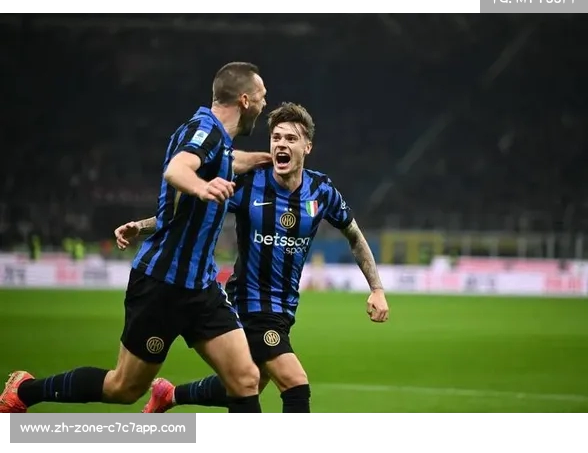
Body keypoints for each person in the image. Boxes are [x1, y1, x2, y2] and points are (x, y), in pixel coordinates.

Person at [0, 61, 272, 414]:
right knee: (124, 388)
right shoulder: (205, 131)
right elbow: (177, 169)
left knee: (246, 379)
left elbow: (226, 162)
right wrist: (202, 187)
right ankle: (25, 390)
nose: (265, 104)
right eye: (262, 96)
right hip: (162, 284)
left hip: (200, 287)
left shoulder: (216, 142)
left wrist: (263, 160)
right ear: (246, 100)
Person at [115, 102, 390, 413]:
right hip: (249, 302)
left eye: (291, 138)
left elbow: (354, 235)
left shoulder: (321, 190)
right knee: (295, 382)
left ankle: (170, 395)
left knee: (249, 383)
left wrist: (377, 288)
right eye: (276, 137)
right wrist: (142, 226)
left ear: (307, 147)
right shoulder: (250, 184)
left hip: (284, 307)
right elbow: (191, 210)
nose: (281, 144)